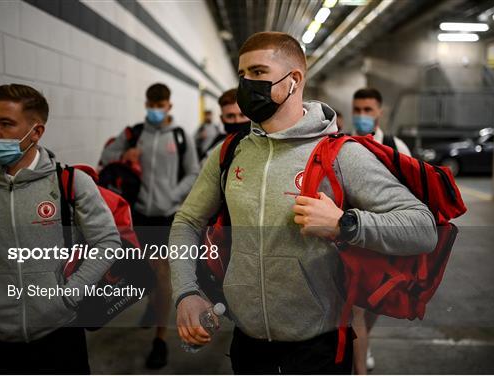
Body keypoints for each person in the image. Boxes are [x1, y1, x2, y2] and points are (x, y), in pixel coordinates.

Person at [169, 32, 437, 374]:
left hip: (319, 348)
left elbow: (422, 227)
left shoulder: (341, 154)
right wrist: (186, 291)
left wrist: (346, 224)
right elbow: (187, 222)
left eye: (258, 72)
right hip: (247, 343)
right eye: (242, 74)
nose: (246, 84)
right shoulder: (230, 152)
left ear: (294, 80)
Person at [0, 84, 121, 374]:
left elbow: (107, 242)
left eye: (6, 123)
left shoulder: (70, 184)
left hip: (59, 333)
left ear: (36, 132)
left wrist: (69, 295)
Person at [99, 83, 200, 369]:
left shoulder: (180, 137)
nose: (155, 111)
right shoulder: (135, 133)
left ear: (169, 106)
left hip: (167, 215)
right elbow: (106, 158)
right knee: (147, 270)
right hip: (138, 214)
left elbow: (194, 171)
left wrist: (173, 195)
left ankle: (161, 338)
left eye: (160, 105)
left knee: (162, 271)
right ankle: (152, 305)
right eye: (150, 105)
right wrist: (124, 156)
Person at [351, 87, 412, 374]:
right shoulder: (345, 144)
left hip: (386, 239)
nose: (362, 116)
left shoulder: (396, 147)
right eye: (358, 110)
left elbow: (412, 195)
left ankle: (365, 341)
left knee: (377, 303)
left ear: (379, 112)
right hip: (355, 238)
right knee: (357, 308)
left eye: (368, 110)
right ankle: (360, 367)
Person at [352, 87, 412, 156]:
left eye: (367, 110)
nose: (361, 115)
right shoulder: (342, 144)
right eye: (357, 109)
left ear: (380, 112)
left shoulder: (397, 148)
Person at [199, 88, 251, 164]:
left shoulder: (263, 144)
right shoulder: (216, 146)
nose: (237, 120)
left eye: (242, 115)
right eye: (230, 116)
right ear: (222, 119)